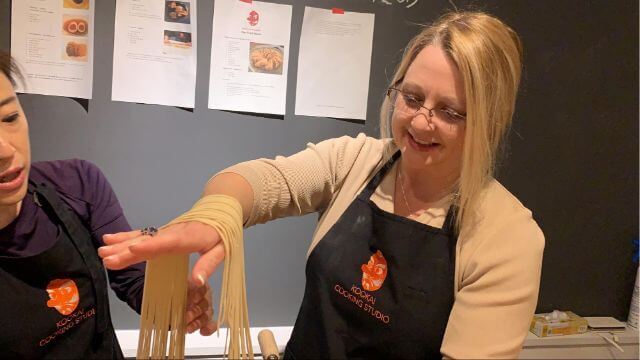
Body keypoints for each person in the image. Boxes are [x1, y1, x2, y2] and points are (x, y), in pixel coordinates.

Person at [99, 11, 545, 359]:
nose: (421, 121)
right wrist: (215, 217)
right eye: (411, 97)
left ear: (488, 122)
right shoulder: (356, 161)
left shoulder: (505, 237)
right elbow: (259, 181)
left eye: (450, 111)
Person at [0, 52, 216, 358]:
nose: (6, 150)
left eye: (9, 118)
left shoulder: (76, 184)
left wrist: (175, 302)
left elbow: (134, 280)